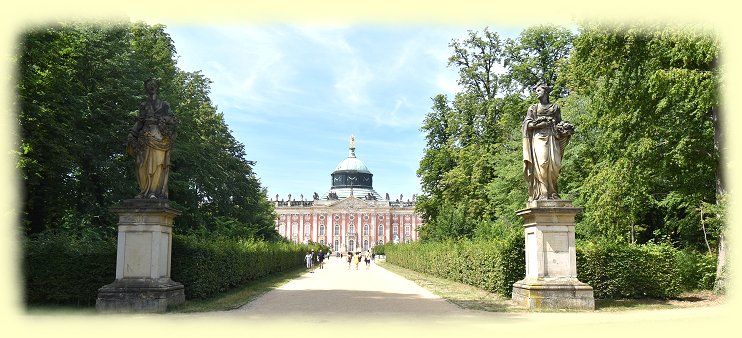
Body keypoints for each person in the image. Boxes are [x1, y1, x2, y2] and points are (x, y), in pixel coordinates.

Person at [522, 83, 574, 201]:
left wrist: (566, 127)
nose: (537, 92)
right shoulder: (533, 108)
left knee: (554, 164)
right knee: (542, 163)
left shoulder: (555, 108)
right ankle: (543, 191)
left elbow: (559, 123)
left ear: (545, 92)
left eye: (539, 90)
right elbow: (528, 124)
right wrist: (541, 124)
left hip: (553, 137)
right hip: (539, 138)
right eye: (536, 90)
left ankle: (553, 191)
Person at [128, 78, 178, 199]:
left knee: (157, 165)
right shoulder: (144, 105)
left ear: (157, 87)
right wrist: (132, 133)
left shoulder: (164, 104)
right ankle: (143, 191)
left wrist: (163, 120)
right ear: (146, 88)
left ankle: (153, 192)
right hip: (144, 138)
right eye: (149, 85)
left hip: (159, 138)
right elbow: (140, 122)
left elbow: (173, 120)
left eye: (153, 84)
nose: (151, 86)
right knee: (141, 164)